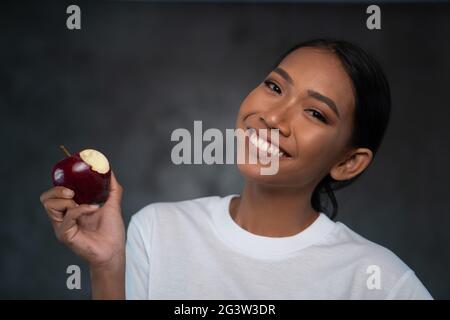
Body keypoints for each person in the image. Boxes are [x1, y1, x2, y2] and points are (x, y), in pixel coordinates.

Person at [40, 38, 432, 299]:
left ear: (348, 162)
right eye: (275, 87)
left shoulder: (381, 281)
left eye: (314, 112)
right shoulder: (157, 231)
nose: (273, 117)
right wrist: (108, 266)